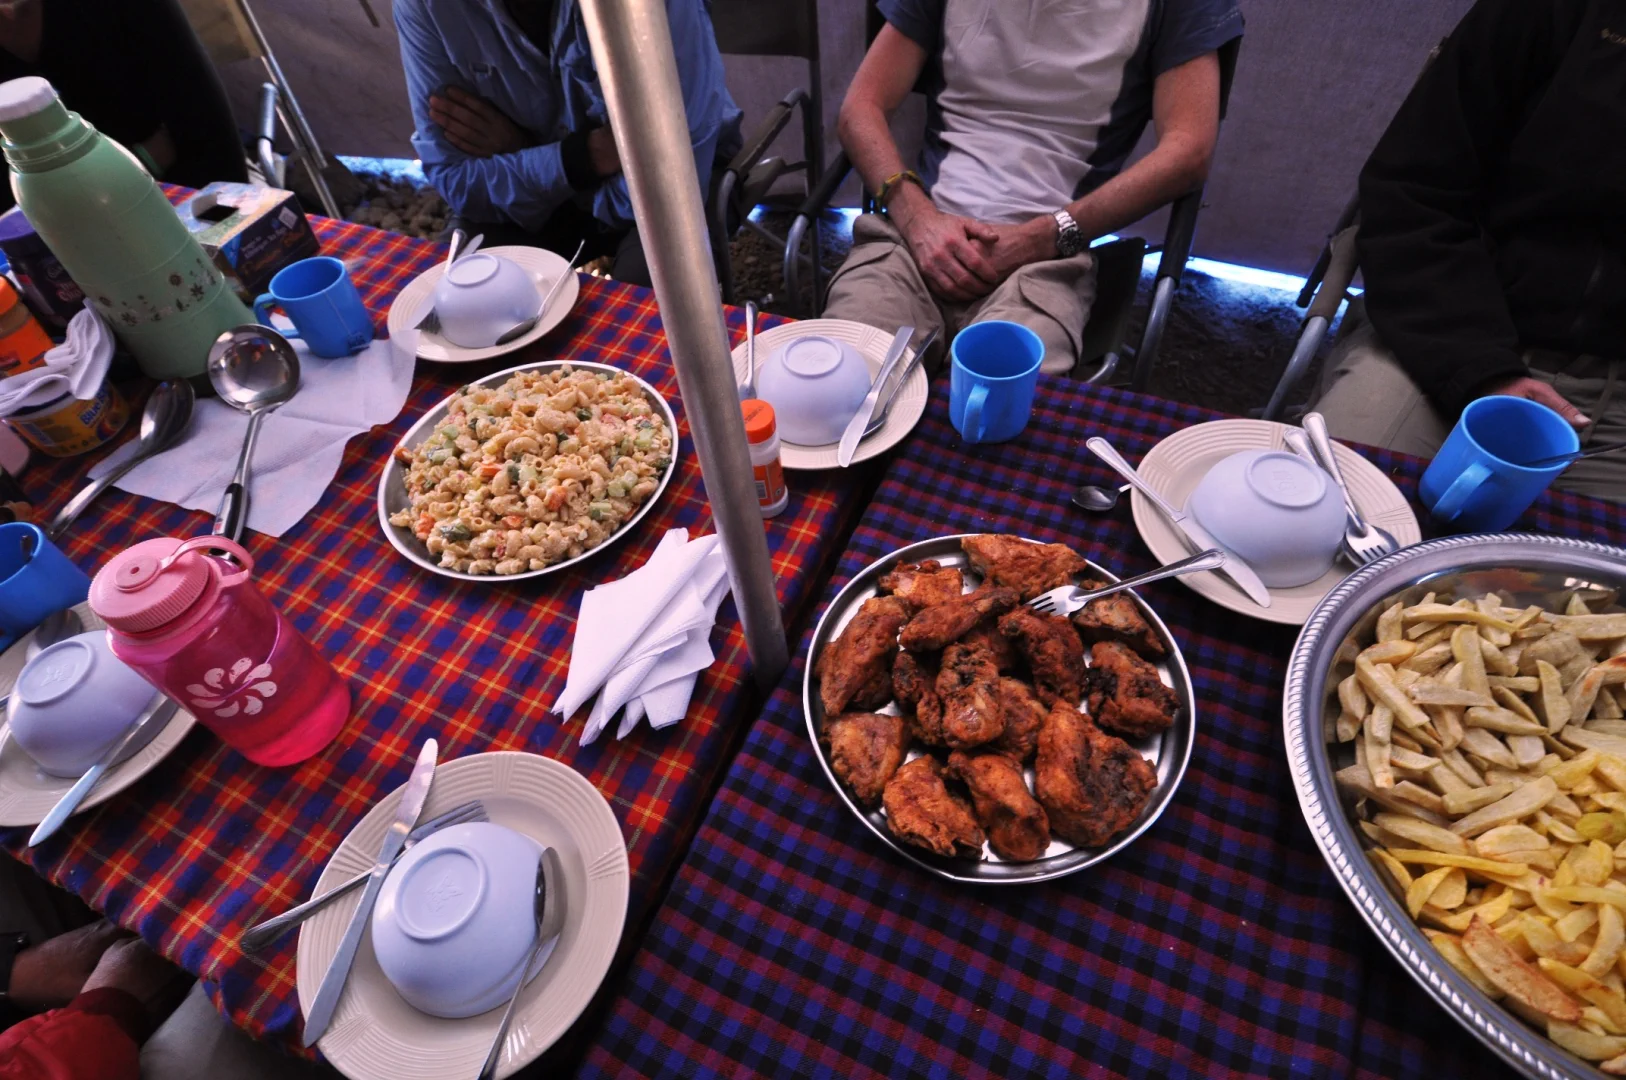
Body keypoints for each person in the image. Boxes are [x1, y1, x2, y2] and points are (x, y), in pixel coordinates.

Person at [1310, 0, 1626, 501]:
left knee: (1583, 554)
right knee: (1333, 505)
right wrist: (1482, 368)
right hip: (1449, 340)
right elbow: (1413, 194)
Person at [824, 0, 1242, 375]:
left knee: (995, 416)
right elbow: (861, 107)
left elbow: (1188, 152)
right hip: (913, 242)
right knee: (839, 387)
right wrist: (918, 220)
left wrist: (1039, 239)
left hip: (1046, 261)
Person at [393, 0, 742, 287]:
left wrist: (527, 155)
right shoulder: (426, 7)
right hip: (552, 189)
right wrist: (583, 157)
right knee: (454, 302)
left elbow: (668, 182)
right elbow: (457, 181)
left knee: (648, 309)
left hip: (676, 188)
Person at [0, 0, 246, 209]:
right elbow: (13, 210)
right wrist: (148, 158)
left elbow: (211, 142)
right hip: (69, 237)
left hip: (201, 203)